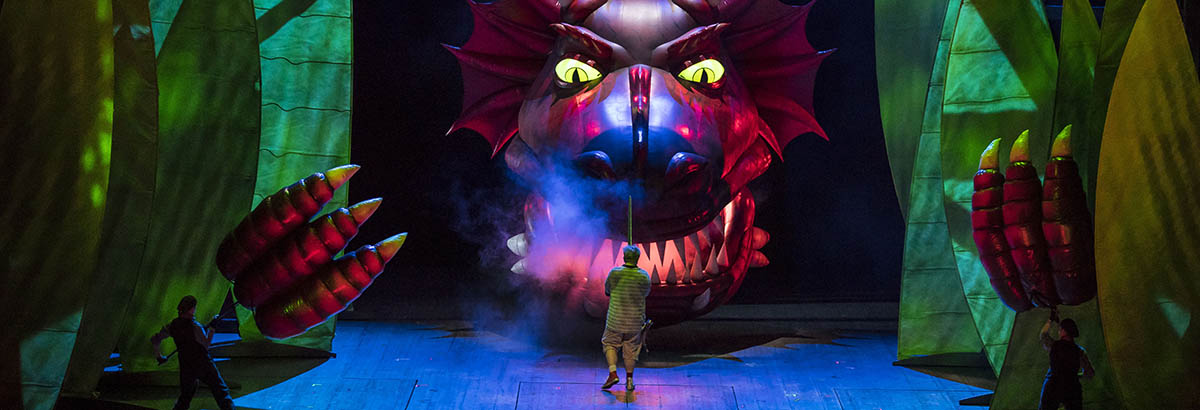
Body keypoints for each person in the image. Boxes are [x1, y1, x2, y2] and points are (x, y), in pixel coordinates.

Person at [151, 295, 234, 410]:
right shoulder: (195, 327)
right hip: (203, 364)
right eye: (194, 307)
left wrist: (159, 356)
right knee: (221, 391)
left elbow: (155, 339)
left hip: (186, 365)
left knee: (185, 396)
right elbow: (205, 345)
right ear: (191, 309)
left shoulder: (172, 326)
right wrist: (212, 329)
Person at [601, 245, 652, 391]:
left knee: (609, 344)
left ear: (624, 257)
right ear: (638, 258)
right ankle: (629, 381)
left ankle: (613, 373)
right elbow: (646, 294)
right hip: (635, 322)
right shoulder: (644, 276)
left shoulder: (615, 273)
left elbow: (607, 290)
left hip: (615, 320)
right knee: (631, 350)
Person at [1039, 310, 1095, 410]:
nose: (1059, 332)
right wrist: (1075, 375)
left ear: (1064, 331)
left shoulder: (1054, 346)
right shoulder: (1080, 352)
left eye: (1060, 329)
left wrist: (1050, 319)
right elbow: (1089, 373)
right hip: (1072, 388)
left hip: (1053, 386)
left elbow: (1043, 335)